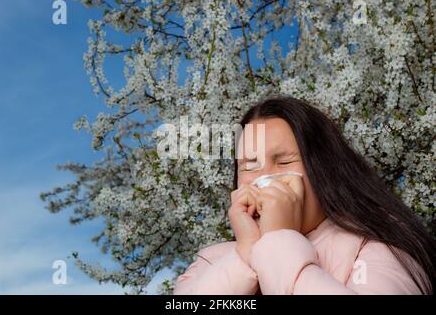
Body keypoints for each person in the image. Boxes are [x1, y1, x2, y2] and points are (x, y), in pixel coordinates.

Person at [173, 95, 435, 295]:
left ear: (324, 168)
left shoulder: (377, 248)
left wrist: (278, 242)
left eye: (284, 162)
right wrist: (246, 256)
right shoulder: (212, 261)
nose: (264, 179)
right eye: (249, 166)